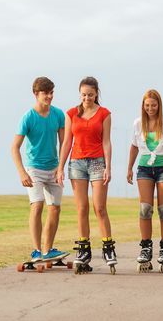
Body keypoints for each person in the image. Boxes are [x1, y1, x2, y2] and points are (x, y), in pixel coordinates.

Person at [56, 76, 117, 274]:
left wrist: (108, 166)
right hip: (77, 163)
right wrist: (60, 168)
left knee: (99, 207)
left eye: (90, 95)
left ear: (96, 94)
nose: (87, 98)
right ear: (79, 94)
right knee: (81, 208)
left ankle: (108, 248)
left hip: (98, 162)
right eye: (83, 95)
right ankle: (83, 249)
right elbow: (66, 143)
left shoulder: (105, 114)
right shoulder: (72, 113)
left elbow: (107, 142)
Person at [11, 76, 67, 262]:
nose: (49, 97)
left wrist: (60, 168)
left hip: (53, 168)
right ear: (36, 94)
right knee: (37, 205)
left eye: (51, 93)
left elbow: (64, 142)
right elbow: (14, 147)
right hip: (34, 168)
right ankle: (36, 251)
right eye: (45, 93)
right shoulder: (28, 118)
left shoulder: (58, 115)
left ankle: (48, 250)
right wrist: (22, 172)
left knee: (55, 209)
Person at [127, 89, 163, 273]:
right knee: (145, 208)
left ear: (159, 105)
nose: (150, 108)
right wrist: (129, 168)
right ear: (143, 106)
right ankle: (146, 247)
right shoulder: (138, 124)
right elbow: (133, 146)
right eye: (147, 105)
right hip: (144, 168)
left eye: (153, 105)